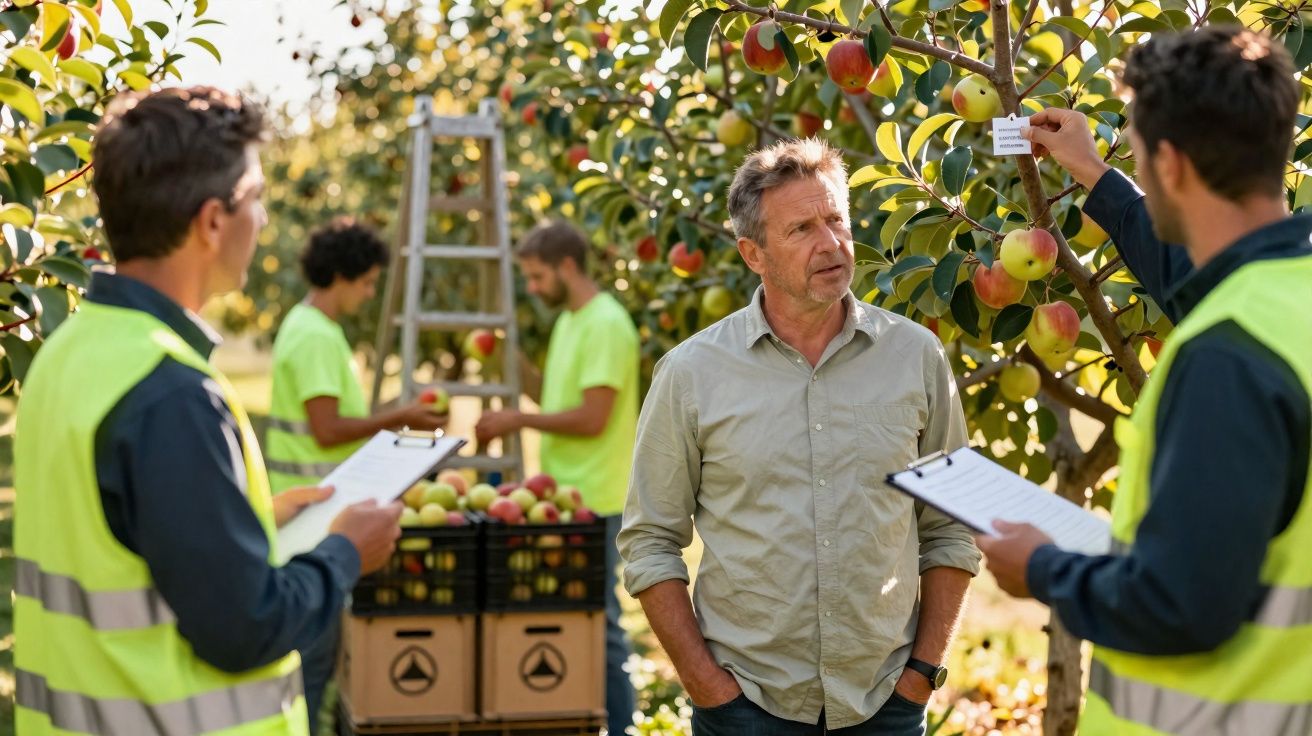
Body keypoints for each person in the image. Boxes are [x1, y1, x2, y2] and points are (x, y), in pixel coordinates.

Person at [13, 87, 403, 736]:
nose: (265, 220)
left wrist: (247, 522)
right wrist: (344, 553)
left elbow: (119, 537)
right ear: (213, 222)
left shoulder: (65, 353)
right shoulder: (171, 391)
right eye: (256, 198)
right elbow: (246, 627)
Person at [977, 27, 1312, 735]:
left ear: (1171, 161)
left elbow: (1181, 603)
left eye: (1133, 144)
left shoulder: (1227, 358)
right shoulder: (1286, 294)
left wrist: (1042, 570)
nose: (1130, 152)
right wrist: (1098, 174)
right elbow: (1203, 284)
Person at [618, 138, 980, 736]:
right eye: (802, 229)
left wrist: (921, 675)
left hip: (883, 701)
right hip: (746, 705)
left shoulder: (915, 356)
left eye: (836, 218)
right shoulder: (691, 373)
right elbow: (651, 541)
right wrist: (708, 687)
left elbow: (951, 525)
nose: (832, 243)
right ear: (753, 254)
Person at [266, 218, 446, 730]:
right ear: (342, 275)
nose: (369, 294)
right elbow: (328, 429)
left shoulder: (305, 326)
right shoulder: (317, 336)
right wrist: (399, 418)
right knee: (313, 664)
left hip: (306, 509)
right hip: (313, 519)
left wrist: (397, 411)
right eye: (367, 282)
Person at [475, 221, 640, 736]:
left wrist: (517, 421)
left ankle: (620, 727)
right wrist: (508, 358)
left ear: (567, 266)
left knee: (602, 623)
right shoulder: (571, 321)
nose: (533, 288)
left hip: (598, 496)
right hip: (566, 494)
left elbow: (592, 417)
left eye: (537, 276)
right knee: (573, 617)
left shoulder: (606, 323)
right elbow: (555, 397)